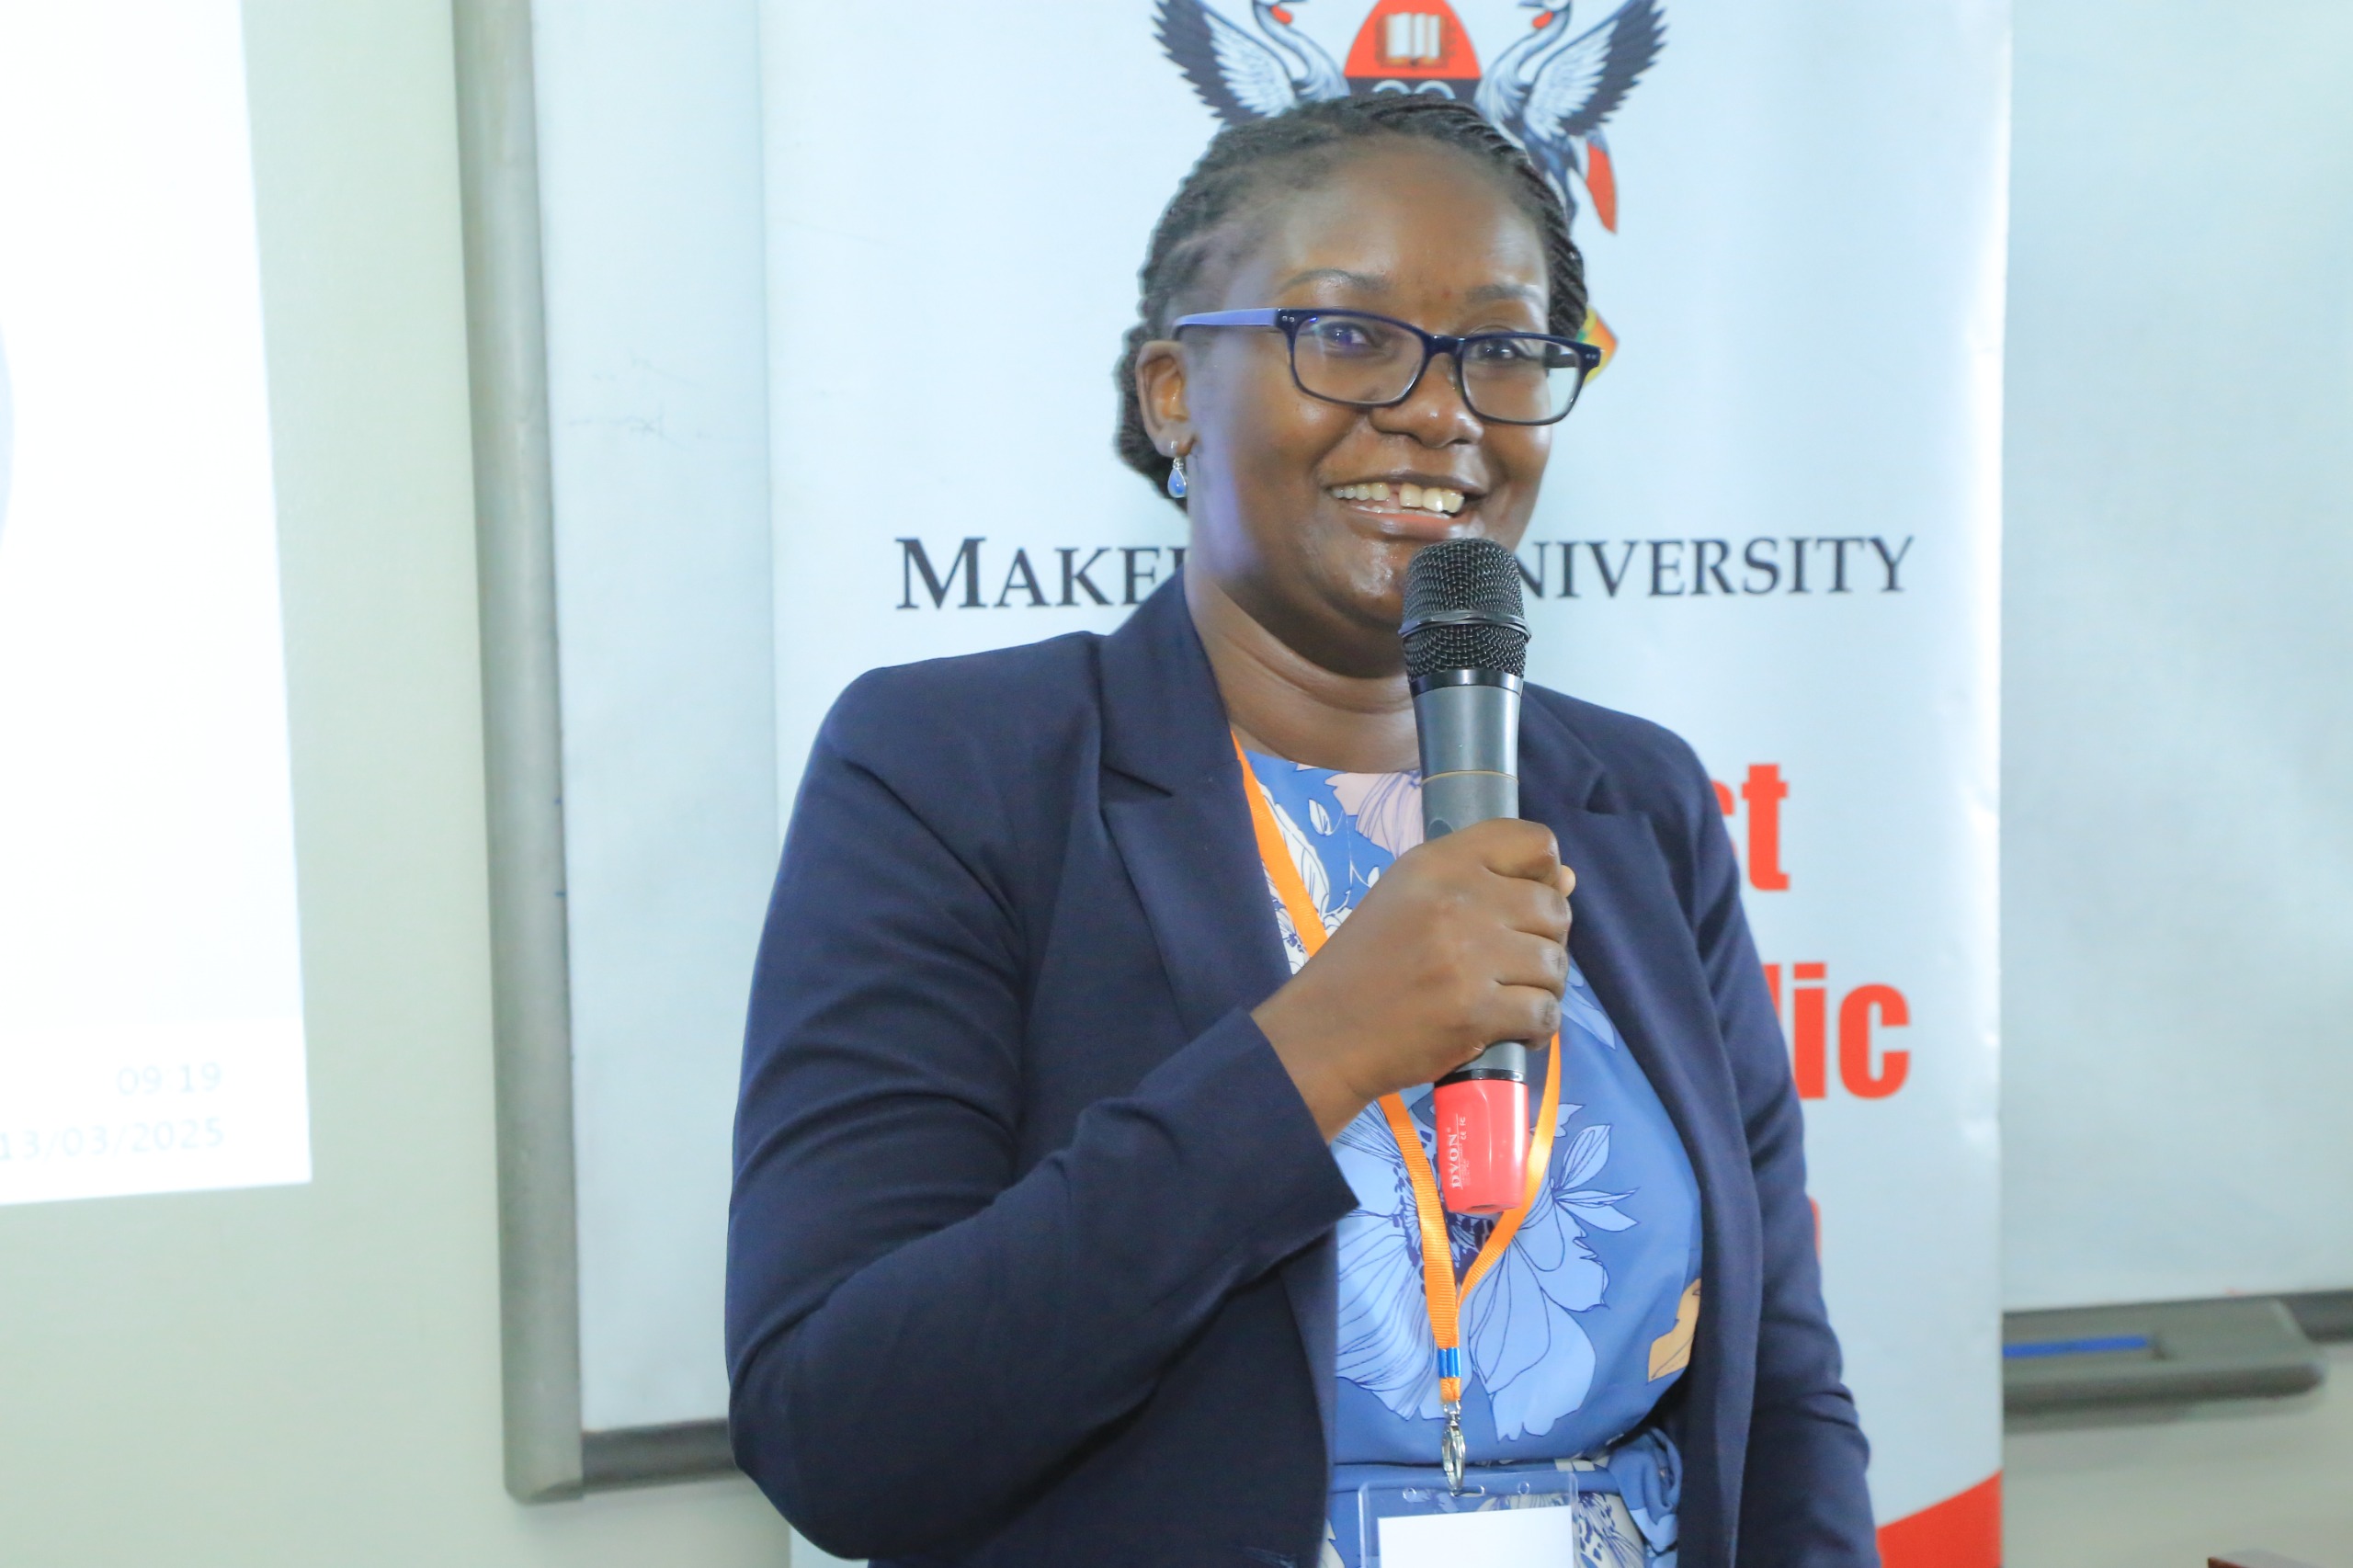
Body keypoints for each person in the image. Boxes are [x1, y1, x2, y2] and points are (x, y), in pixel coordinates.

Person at [727, 95, 1876, 1567]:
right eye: (1347, 333)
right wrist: (1317, 1047)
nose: (1442, 409)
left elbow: (1781, 1392)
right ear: (1170, 394)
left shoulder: (1634, 802)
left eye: (1504, 350)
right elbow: (842, 1429)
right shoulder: (961, 771)